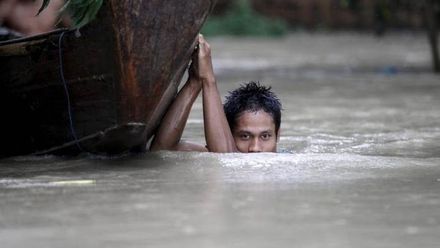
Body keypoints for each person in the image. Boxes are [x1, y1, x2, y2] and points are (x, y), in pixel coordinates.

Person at [150, 34, 282, 153]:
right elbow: (163, 150)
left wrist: (208, 79)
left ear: (278, 135)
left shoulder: (286, 164)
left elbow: (225, 157)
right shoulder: (214, 151)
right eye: (245, 136)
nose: (255, 148)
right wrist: (194, 82)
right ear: (228, 134)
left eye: (265, 136)